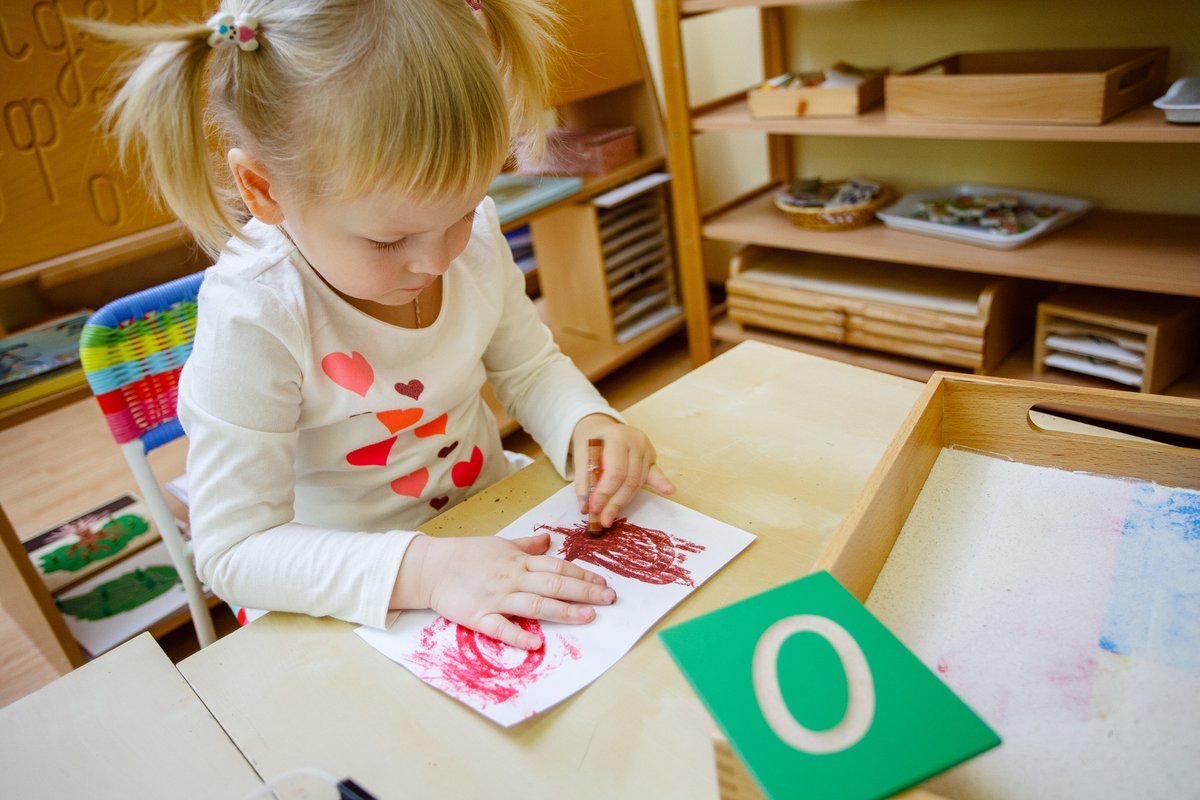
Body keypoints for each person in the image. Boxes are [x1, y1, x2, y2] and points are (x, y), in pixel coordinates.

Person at [80, 0, 675, 651]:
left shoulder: (471, 241)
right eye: (388, 240)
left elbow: (528, 368)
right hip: (343, 590)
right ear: (264, 189)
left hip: (487, 527)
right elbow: (235, 551)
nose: (438, 259)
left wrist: (586, 424)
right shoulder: (256, 316)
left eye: (463, 210)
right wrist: (425, 571)